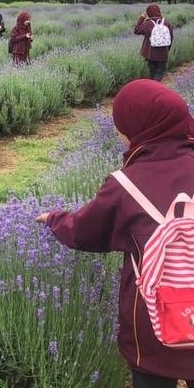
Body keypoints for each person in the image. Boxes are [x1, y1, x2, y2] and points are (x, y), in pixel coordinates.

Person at [36, 79, 194, 388]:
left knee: (153, 376)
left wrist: (54, 219)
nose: (120, 133)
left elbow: (85, 231)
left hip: (155, 318)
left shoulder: (127, 185)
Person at [134, 4, 173, 82]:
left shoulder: (148, 24)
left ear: (148, 13)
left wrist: (142, 17)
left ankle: (153, 87)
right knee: (160, 73)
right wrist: (167, 50)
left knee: (152, 73)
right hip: (163, 54)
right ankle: (155, 86)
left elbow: (136, 30)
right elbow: (171, 37)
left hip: (150, 54)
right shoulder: (166, 23)